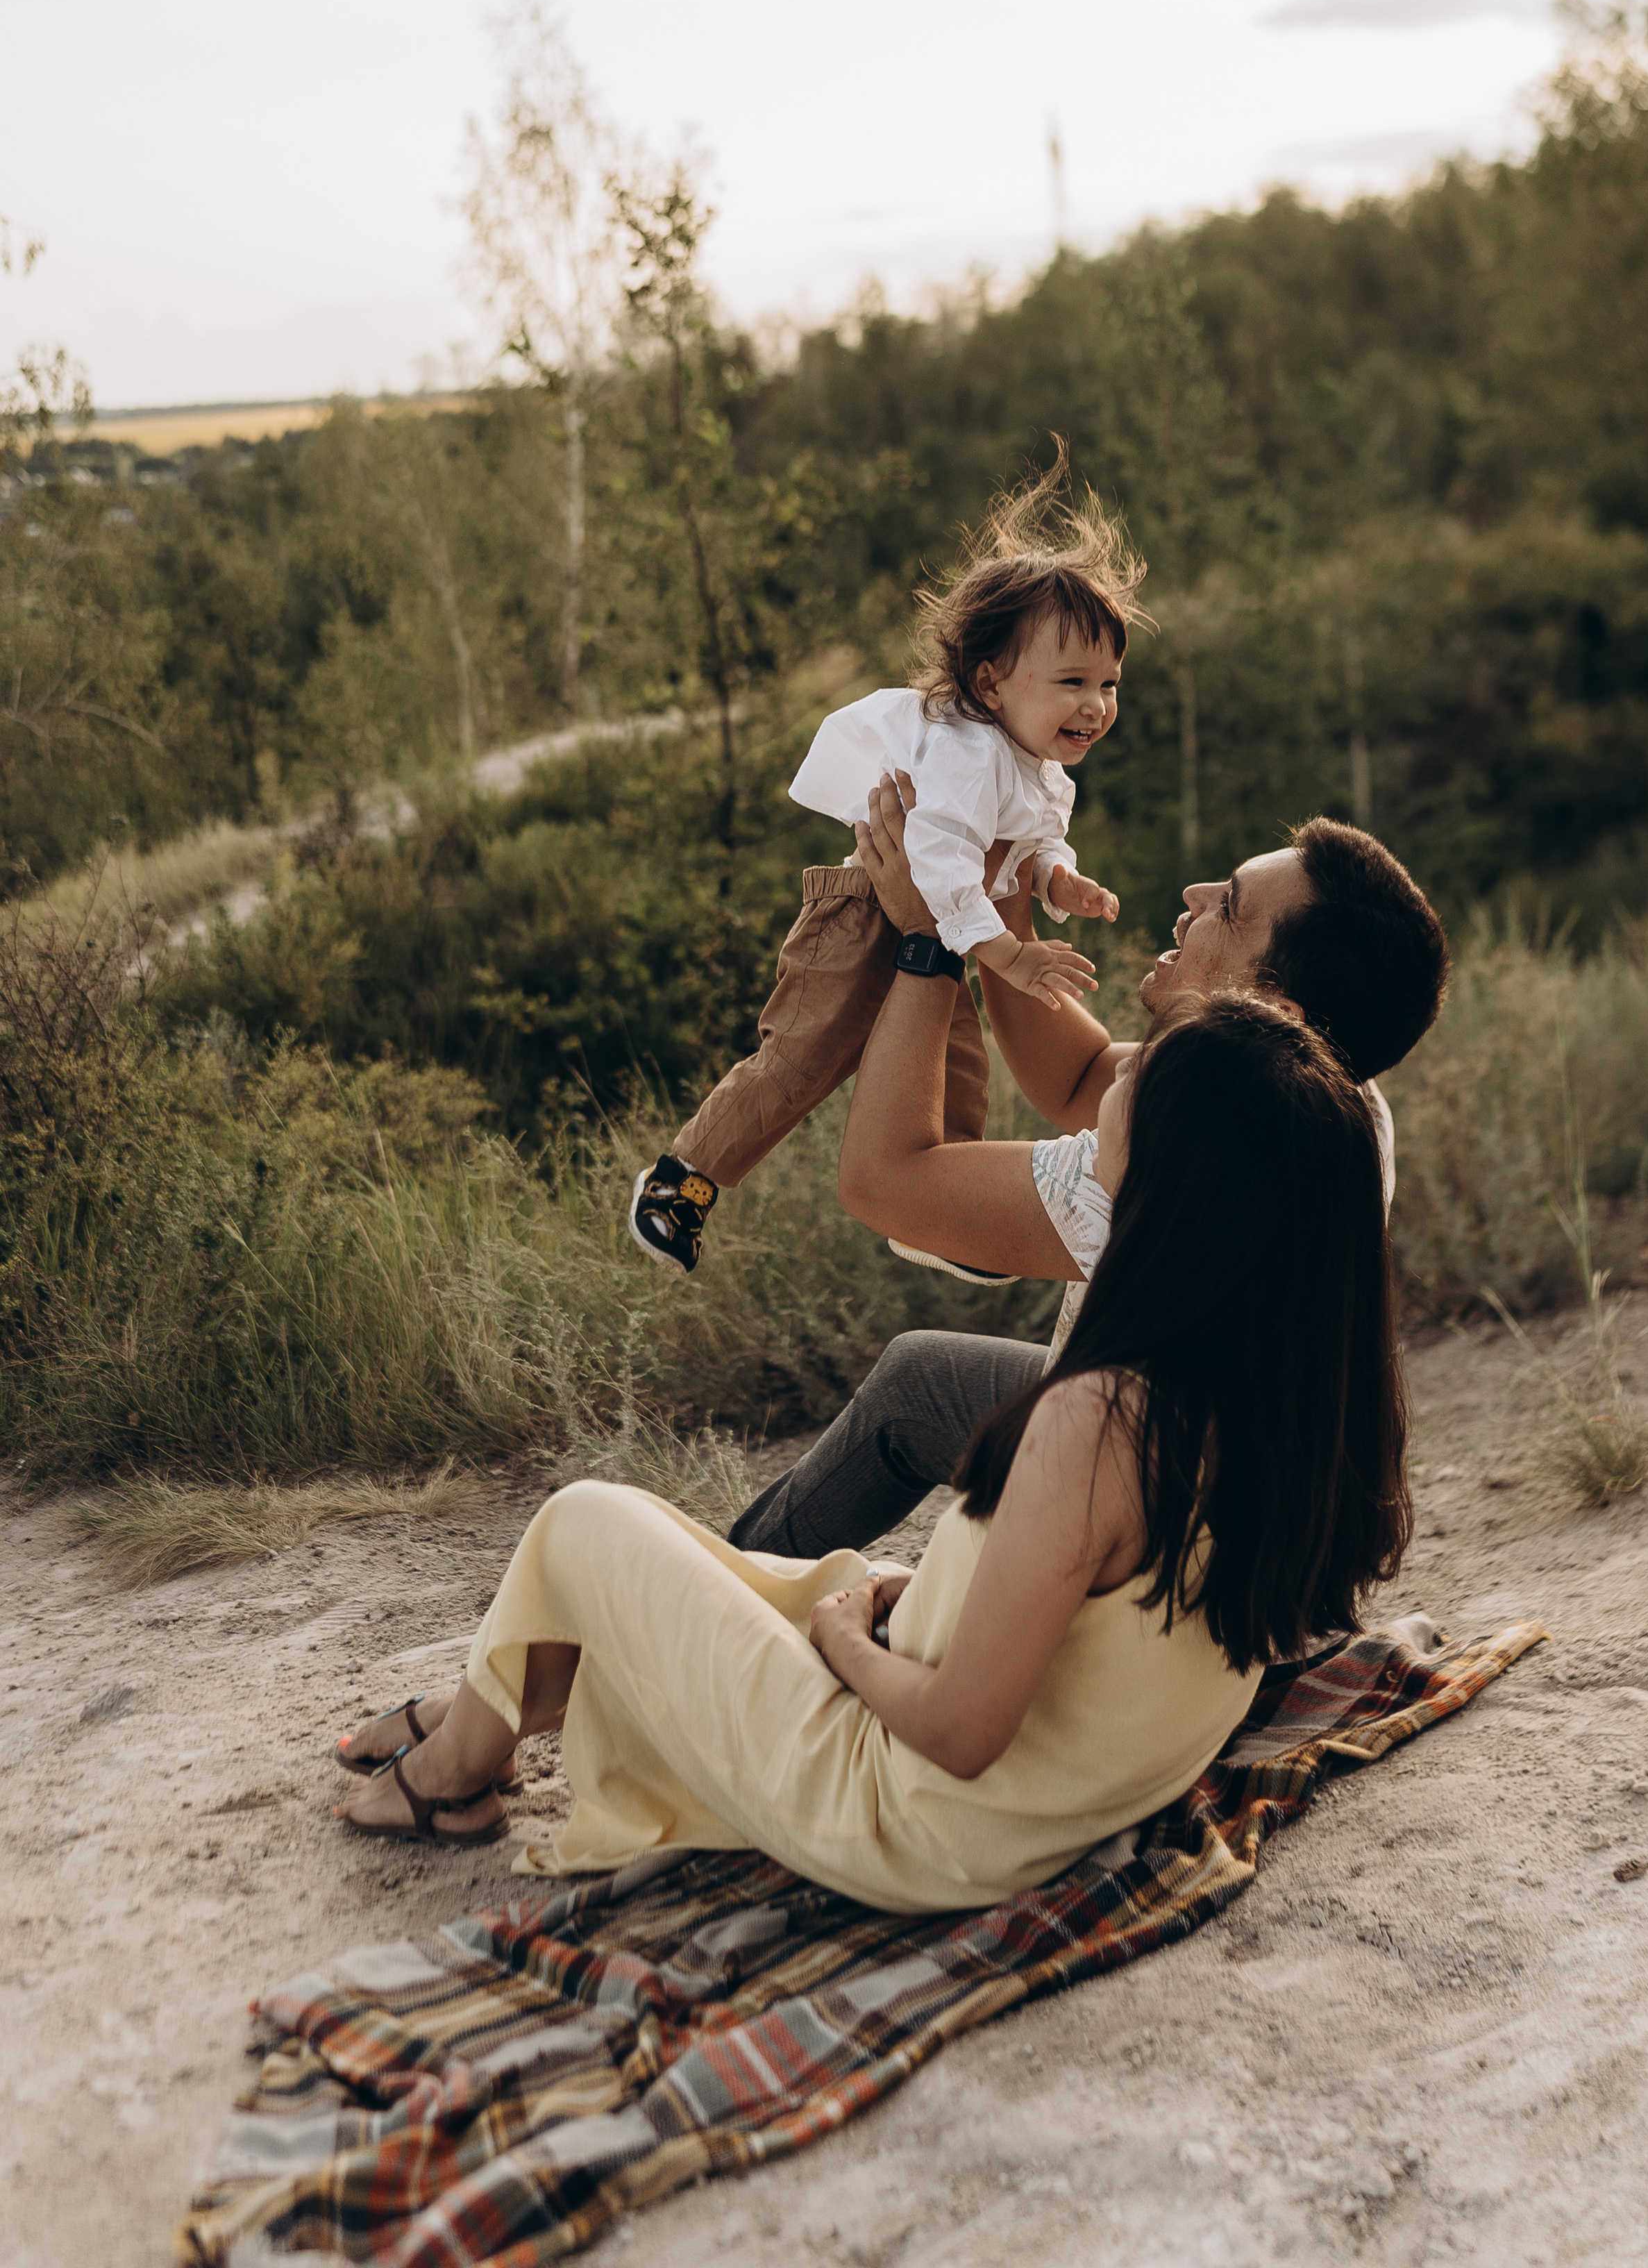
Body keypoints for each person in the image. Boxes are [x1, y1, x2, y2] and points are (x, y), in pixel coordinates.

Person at [332, 992, 1412, 1913]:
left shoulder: (1107, 1421)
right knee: (811, 1576)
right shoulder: (1284, 1386)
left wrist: (851, 1646)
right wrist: (892, 1604)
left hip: (919, 1821)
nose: (1113, 1077)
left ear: (1179, 1172)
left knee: (584, 1524)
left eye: (1138, 1079)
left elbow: (961, 1733)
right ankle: (492, 1710)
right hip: (1066, 1794)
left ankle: (455, 1776)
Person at [728, 778, 1449, 1558]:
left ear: (1275, 1006)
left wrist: (928, 936)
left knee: (918, 1388)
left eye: (1229, 907)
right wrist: (999, 897)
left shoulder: (1185, 1144)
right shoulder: (1337, 1094)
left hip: (1159, 1514)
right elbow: (1075, 1078)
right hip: (1244, 1482)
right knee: (928, 1375)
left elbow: (883, 1181)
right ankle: (741, 1577)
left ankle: (725, 1604)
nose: (1194, 894)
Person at [627, 466, 1141, 1279]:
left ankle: (949, 1213)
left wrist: (1055, 882)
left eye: (1109, 683)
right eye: (1072, 682)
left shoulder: (1043, 771)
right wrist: (1006, 954)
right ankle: (683, 1180)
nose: (1096, 705)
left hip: (944, 928)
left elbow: (1029, 847)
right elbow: (935, 859)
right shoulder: (967, 750)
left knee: (957, 1076)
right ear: (989, 682)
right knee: (801, 1059)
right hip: (870, 910)